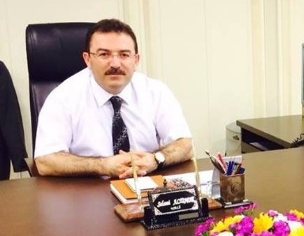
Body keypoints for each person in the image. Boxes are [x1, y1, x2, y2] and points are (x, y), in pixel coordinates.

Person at [34, 18, 193, 178]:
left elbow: (186, 145)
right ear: (88, 59)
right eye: (104, 54)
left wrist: (156, 159)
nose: (115, 64)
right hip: (88, 187)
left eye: (124, 55)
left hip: (146, 184)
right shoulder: (62, 98)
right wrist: (102, 165)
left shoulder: (155, 91)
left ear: (136, 60)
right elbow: (45, 161)